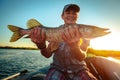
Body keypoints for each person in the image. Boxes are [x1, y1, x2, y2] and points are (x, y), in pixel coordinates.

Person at [30, 4, 97, 80]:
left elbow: (82, 57)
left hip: (79, 69)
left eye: (74, 13)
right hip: (58, 69)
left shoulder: (84, 33)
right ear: (62, 16)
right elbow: (47, 54)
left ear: (77, 16)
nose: (71, 15)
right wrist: (41, 45)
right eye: (68, 13)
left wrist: (74, 47)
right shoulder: (56, 32)